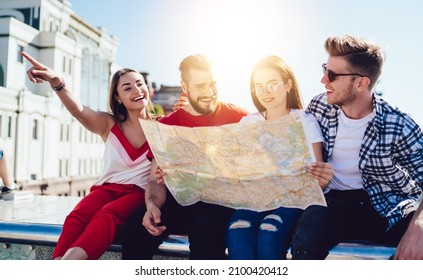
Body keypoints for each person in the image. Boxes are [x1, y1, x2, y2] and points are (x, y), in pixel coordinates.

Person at [290, 35, 423, 260]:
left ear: (361, 83)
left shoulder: (399, 123)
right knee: (305, 238)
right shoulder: (319, 107)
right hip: (333, 202)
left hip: (385, 205)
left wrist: (418, 225)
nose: (323, 80)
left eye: (332, 74)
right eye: (325, 68)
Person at [22, 51, 154, 260]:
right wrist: (57, 82)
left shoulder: (162, 129)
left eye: (140, 84)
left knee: (107, 216)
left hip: (139, 194)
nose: (137, 90)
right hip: (106, 190)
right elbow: (79, 110)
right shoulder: (109, 124)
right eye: (127, 88)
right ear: (118, 98)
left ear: (148, 89)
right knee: (77, 216)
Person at [122, 54, 249, 260]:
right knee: (136, 227)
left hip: (221, 203)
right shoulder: (166, 125)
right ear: (185, 86)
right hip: (180, 201)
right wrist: (152, 206)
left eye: (212, 84)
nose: (209, 92)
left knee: (205, 231)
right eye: (200, 86)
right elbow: (155, 179)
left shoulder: (239, 117)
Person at [225, 55, 333, 259]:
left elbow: (317, 177)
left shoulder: (304, 121)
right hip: (253, 200)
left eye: (272, 84)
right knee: (238, 229)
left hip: (290, 201)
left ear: (288, 84)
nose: (265, 92)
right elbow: (235, 167)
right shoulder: (248, 123)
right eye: (259, 86)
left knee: (269, 231)